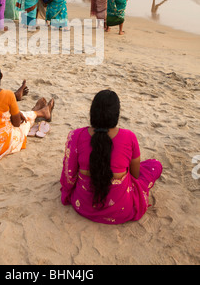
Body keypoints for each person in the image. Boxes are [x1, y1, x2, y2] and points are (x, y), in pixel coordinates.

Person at [60, 90, 162, 224]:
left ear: (92, 113)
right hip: (121, 209)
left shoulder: (76, 135)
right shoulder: (129, 137)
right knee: (154, 165)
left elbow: (69, 175)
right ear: (116, 115)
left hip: (83, 204)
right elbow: (135, 175)